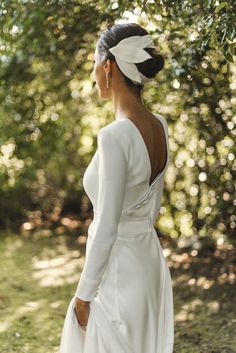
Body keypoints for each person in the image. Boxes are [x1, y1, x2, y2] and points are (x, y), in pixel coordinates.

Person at [59, 22, 174, 353]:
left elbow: (107, 226)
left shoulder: (114, 136)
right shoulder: (160, 126)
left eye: (94, 63)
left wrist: (84, 294)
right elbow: (151, 207)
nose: (93, 73)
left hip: (118, 275)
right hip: (150, 265)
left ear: (107, 66)